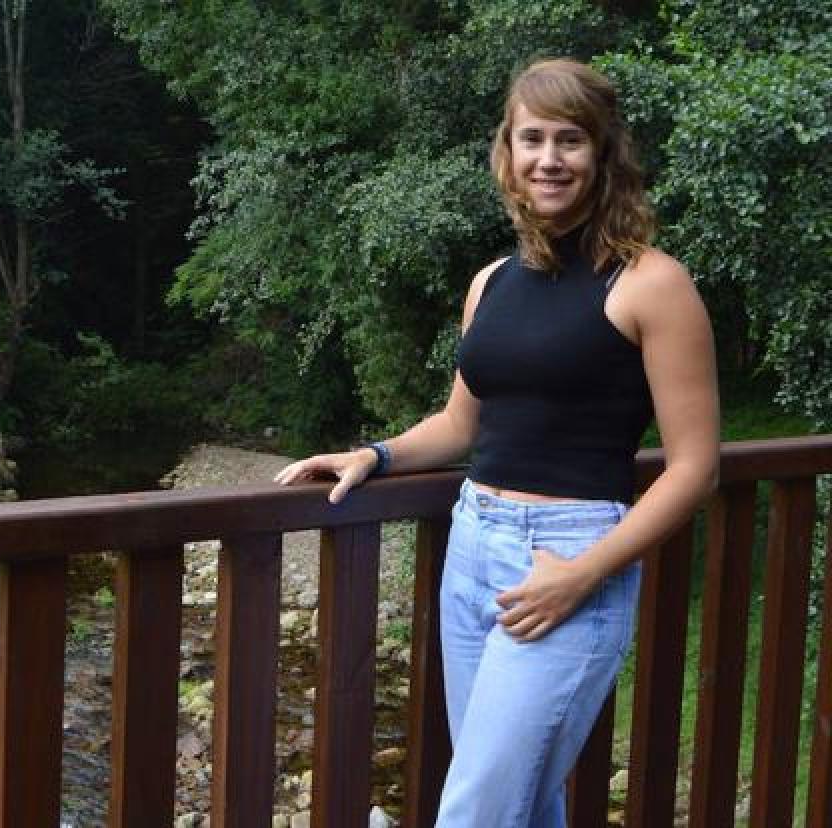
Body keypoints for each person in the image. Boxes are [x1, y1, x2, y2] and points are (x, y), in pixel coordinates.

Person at [274, 57, 719, 827]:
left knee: (479, 809)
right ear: (507, 154)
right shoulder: (492, 282)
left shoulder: (652, 283)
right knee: (519, 801)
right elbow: (461, 425)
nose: (549, 158)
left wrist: (582, 575)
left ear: (603, 152)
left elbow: (694, 468)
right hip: (474, 546)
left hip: (571, 555)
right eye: (532, 138)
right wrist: (374, 455)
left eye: (570, 140)